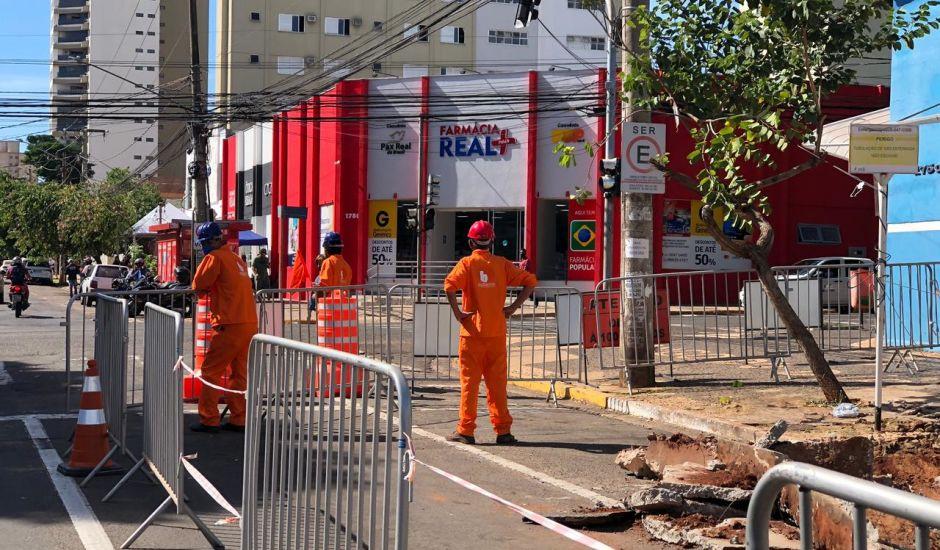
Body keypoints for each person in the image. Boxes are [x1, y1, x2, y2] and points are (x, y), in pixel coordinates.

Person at [443, 221, 537, 445]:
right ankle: (503, 431)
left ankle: (466, 430)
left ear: (470, 241)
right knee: (497, 385)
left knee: (470, 384)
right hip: (496, 333)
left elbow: (449, 286)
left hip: (472, 334)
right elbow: (530, 281)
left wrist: (458, 313)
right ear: (491, 241)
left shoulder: (467, 264)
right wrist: (513, 307)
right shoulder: (502, 265)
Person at [190, 222, 258, 433]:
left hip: (229, 322)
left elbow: (198, 285)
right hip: (248, 322)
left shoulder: (214, 258)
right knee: (239, 373)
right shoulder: (236, 258)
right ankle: (239, 418)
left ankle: (209, 419)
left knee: (211, 371)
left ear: (209, 241)